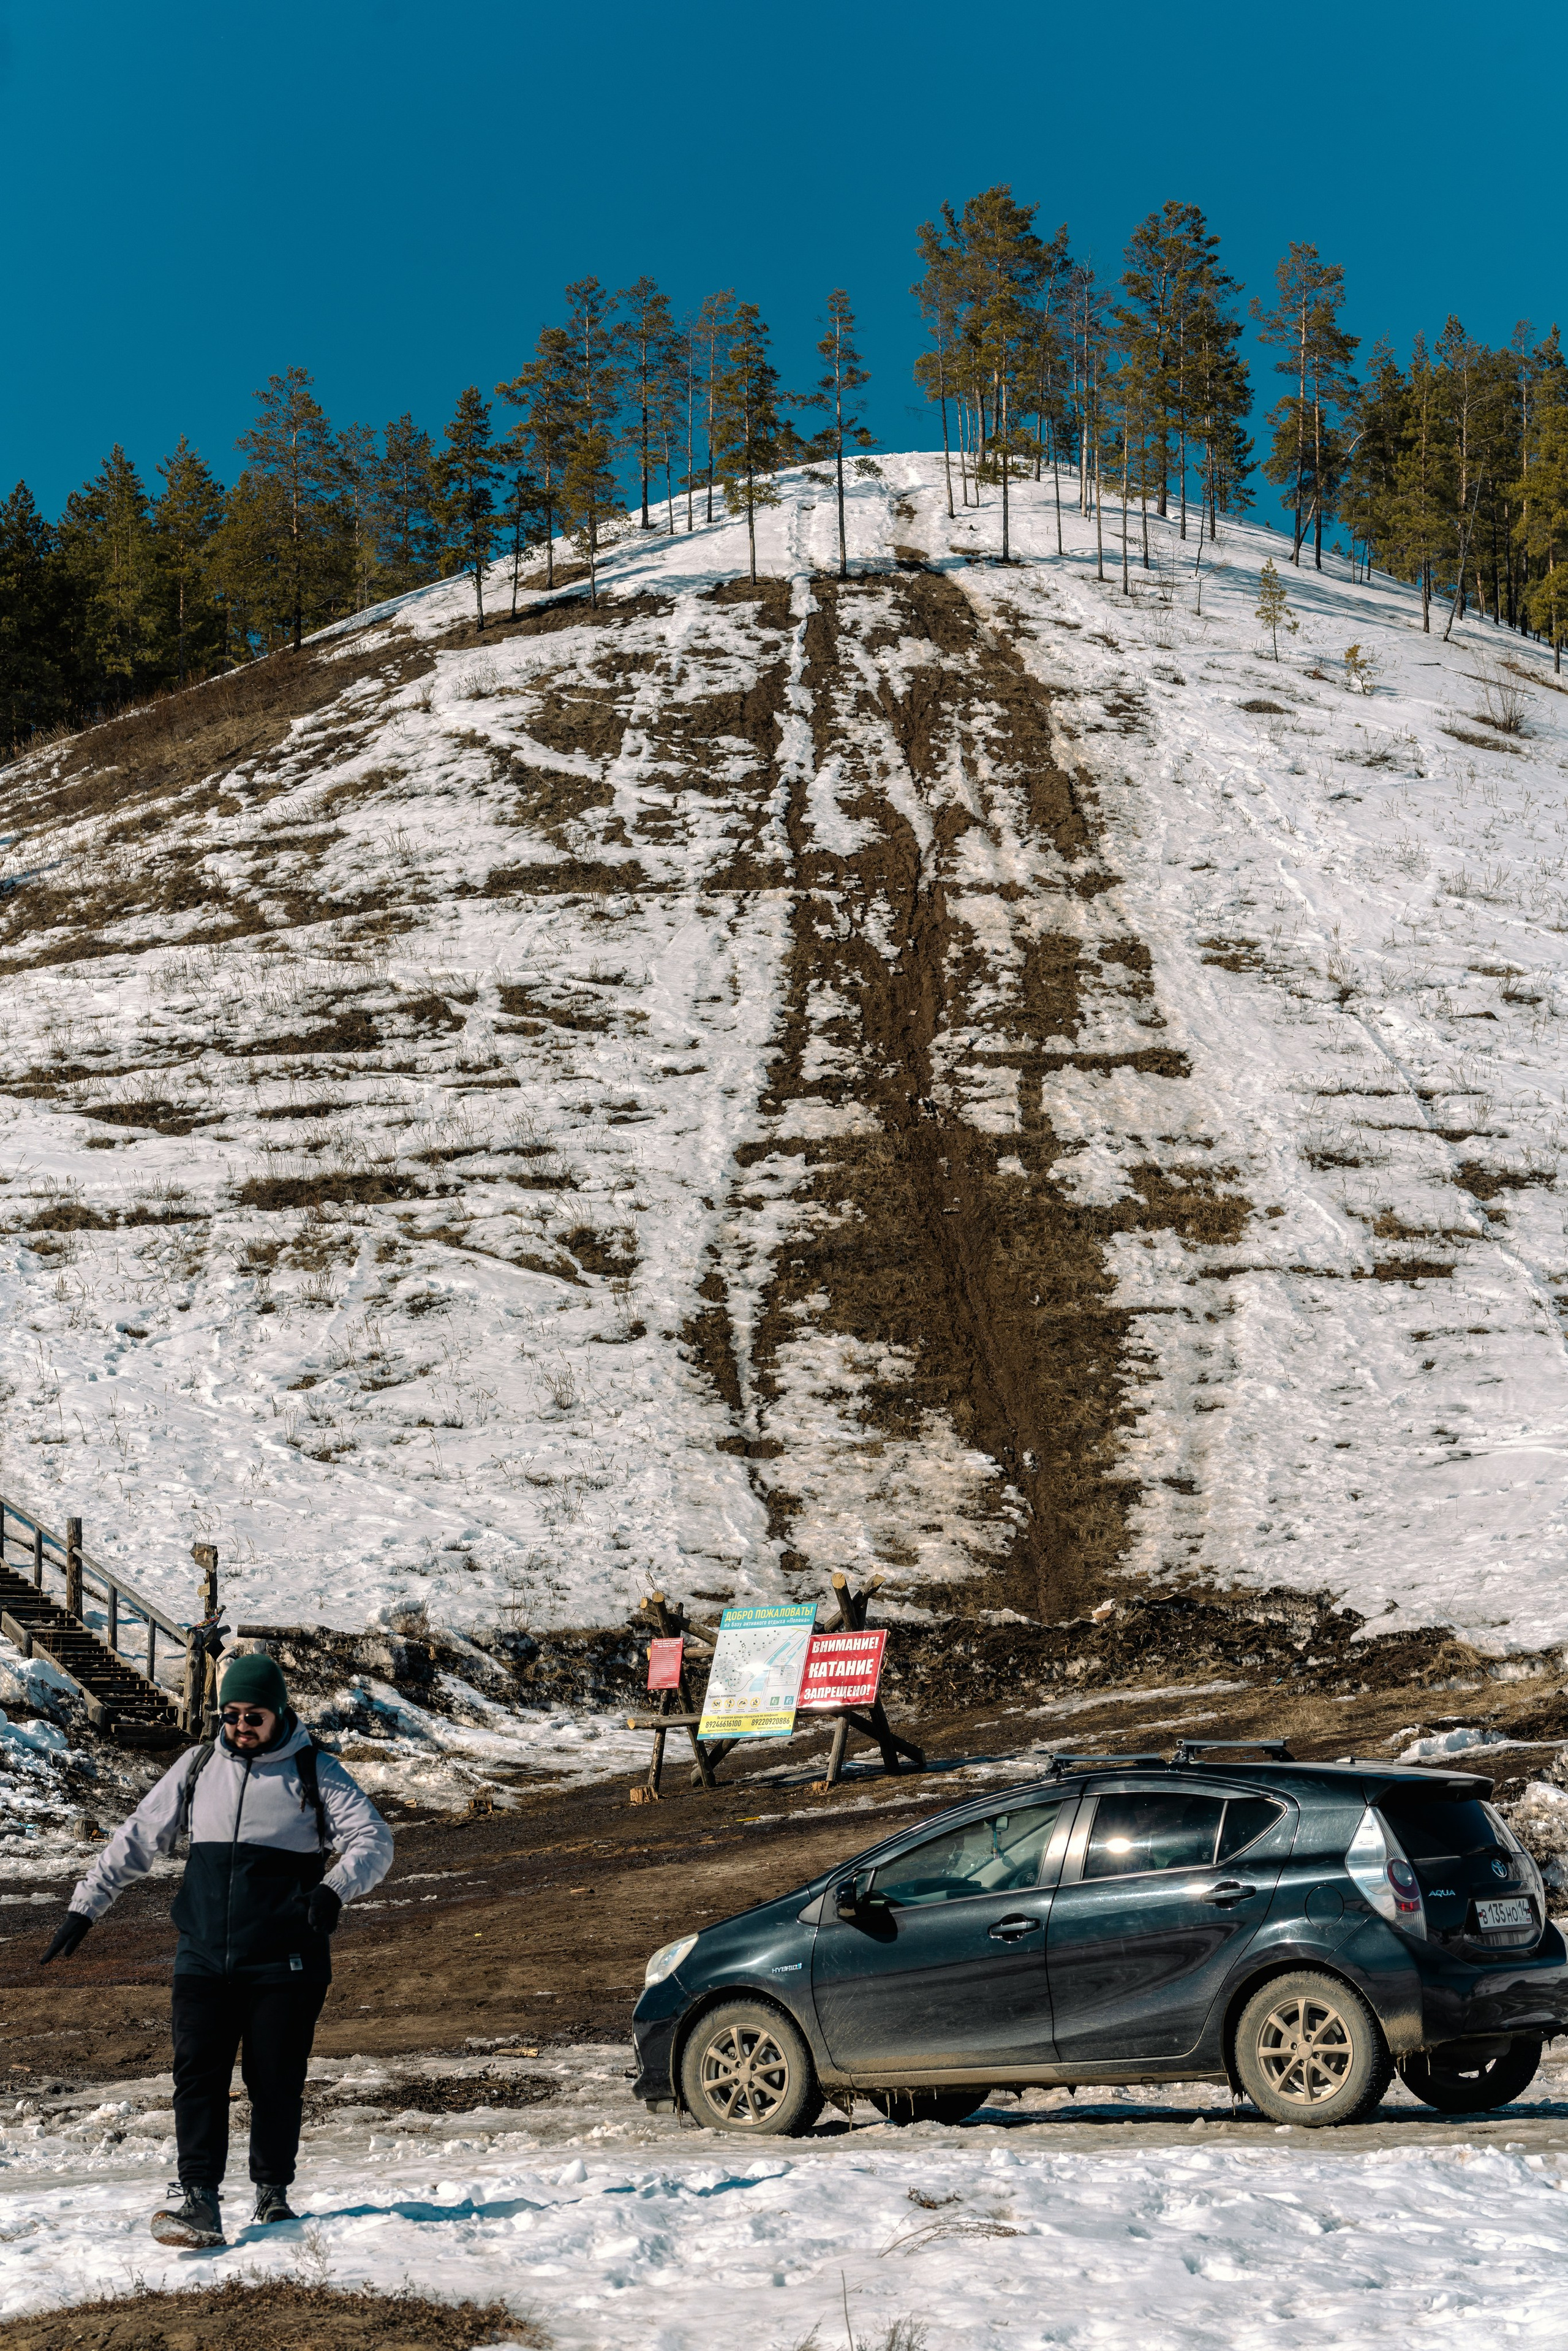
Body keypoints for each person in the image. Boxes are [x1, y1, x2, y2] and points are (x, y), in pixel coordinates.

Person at [39, 1651, 393, 2249]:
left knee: (274, 2081)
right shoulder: (198, 1766)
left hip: (285, 1961)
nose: (241, 1726)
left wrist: (334, 1888)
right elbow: (137, 1837)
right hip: (203, 1954)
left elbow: (374, 1840)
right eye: (231, 1715)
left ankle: (272, 2194)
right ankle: (199, 2199)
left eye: (254, 1716)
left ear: (278, 1713)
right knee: (197, 2076)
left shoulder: (315, 1771)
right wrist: (85, 1906)